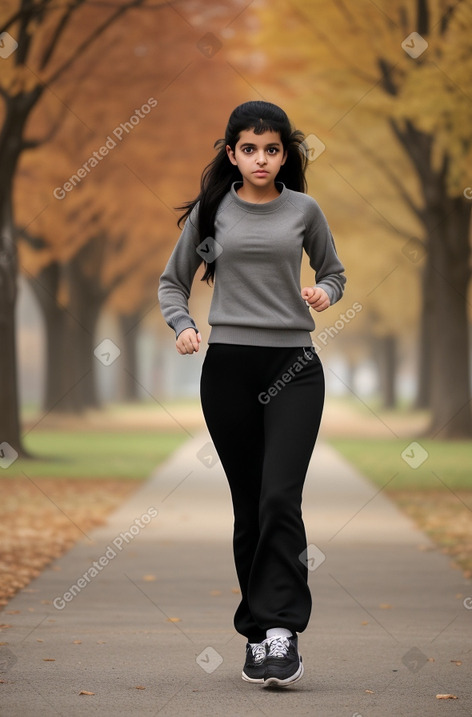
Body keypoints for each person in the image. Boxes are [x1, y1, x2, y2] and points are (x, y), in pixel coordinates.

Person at [158, 101, 346, 687]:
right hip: (229, 370)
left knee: (278, 499)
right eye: (249, 149)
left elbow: (334, 271)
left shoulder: (304, 210)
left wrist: (325, 294)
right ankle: (259, 632)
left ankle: (283, 628)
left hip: (294, 367)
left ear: (285, 153)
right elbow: (172, 282)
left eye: (272, 149)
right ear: (232, 153)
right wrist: (183, 324)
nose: (260, 159)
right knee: (249, 503)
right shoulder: (213, 213)